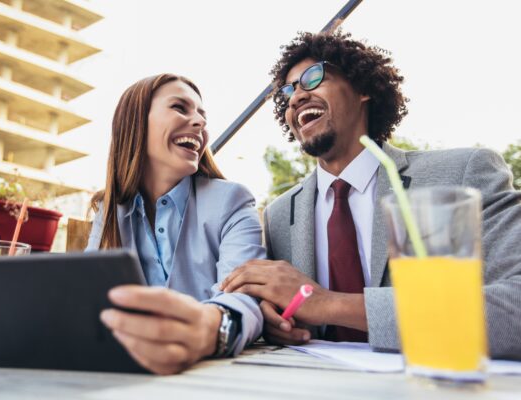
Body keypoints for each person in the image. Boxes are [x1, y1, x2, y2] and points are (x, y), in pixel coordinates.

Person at [220, 31, 521, 359]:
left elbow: (514, 307)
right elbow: (289, 312)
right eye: (289, 91)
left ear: (362, 88)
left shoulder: (464, 173)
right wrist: (275, 320)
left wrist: (329, 305)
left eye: (313, 77)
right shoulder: (279, 215)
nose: (295, 98)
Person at [86, 74, 266, 374]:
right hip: (122, 371)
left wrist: (210, 329)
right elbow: (88, 296)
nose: (199, 123)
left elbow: (244, 297)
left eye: (202, 115)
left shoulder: (233, 201)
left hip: (210, 375)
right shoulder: (109, 212)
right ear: (136, 123)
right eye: (180, 108)